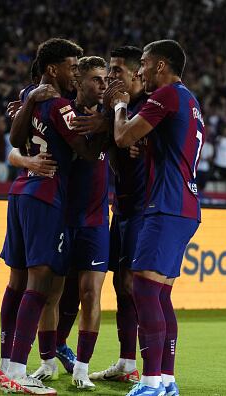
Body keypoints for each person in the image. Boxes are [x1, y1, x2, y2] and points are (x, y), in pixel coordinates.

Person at [0, 38, 106, 395]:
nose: (75, 73)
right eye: (71, 67)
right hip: (46, 197)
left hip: (20, 192)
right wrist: (108, 130)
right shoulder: (60, 107)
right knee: (39, 287)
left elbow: (14, 140)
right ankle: (15, 370)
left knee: (16, 283)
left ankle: (5, 364)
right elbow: (87, 153)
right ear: (51, 70)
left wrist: (27, 105)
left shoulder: (30, 96)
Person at [109, 39, 205, 396]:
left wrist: (120, 106)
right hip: (184, 206)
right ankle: (165, 381)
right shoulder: (191, 102)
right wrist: (144, 144)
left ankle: (149, 382)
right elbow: (169, 146)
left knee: (144, 290)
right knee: (160, 296)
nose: (140, 72)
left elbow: (120, 136)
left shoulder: (165, 95)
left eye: (144, 64)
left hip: (165, 205)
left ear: (161, 66)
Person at [28, 56, 109, 391]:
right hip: (61, 216)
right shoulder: (62, 114)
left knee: (91, 294)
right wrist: (26, 103)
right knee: (52, 295)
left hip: (95, 221)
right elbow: (23, 143)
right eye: (96, 80)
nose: (102, 86)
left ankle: (82, 368)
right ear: (79, 82)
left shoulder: (114, 119)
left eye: (106, 80)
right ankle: (47, 361)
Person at [74, 45, 146, 384]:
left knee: (136, 285)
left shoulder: (146, 105)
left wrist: (134, 140)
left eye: (117, 70)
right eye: (109, 71)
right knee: (120, 283)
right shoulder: (113, 106)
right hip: (123, 207)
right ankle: (126, 362)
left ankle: (149, 369)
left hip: (147, 208)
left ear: (136, 75)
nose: (111, 77)